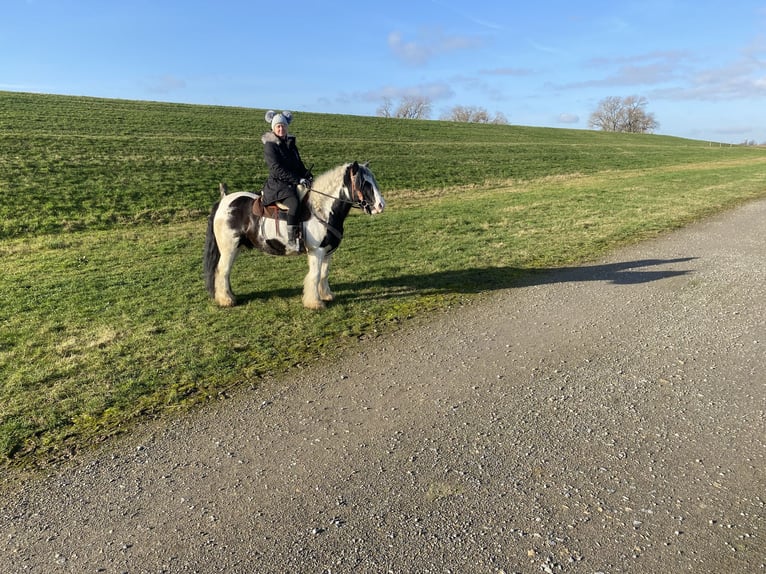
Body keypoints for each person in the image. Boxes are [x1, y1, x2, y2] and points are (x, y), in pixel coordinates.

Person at [261, 110, 312, 253]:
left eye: (283, 126)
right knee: (294, 203)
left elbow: (298, 164)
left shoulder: (290, 143)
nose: (281, 129)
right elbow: (276, 169)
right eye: (278, 126)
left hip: (292, 182)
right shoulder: (270, 145)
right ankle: (291, 241)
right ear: (273, 128)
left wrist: (307, 176)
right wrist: (298, 179)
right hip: (278, 185)